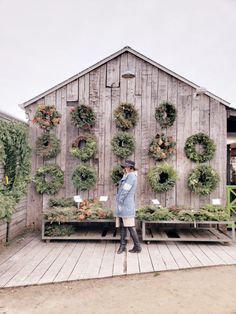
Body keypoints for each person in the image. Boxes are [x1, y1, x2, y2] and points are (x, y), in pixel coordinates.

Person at [115, 160, 142, 254]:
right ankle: (122, 246)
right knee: (123, 225)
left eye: (126, 167)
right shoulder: (127, 175)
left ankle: (137, 246)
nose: (124, 168)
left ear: (131, 168)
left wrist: (120, 200)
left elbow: (125, 190)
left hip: (126, 204)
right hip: (123, 204)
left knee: (130, 226)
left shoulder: (131, 176)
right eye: (124, 167)